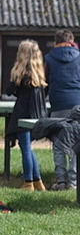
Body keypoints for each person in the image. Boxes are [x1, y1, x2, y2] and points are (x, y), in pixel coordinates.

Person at [44, 30, 80, 190]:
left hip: (58, 103)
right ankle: (74, 182)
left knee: (58, 143)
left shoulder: (49, 58)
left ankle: (61, 180)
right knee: (75, 144)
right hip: (77, 103)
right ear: (72, 41)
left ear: (56, 42)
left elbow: (46, 80)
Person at [4, 40, 48, 190]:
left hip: (23, 115)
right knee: (29, 148)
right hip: (37, 115)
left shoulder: (21, 74)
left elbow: (10, 90)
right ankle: (38, 182)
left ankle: (28, 182)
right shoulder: (38, 74)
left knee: (25, 149)